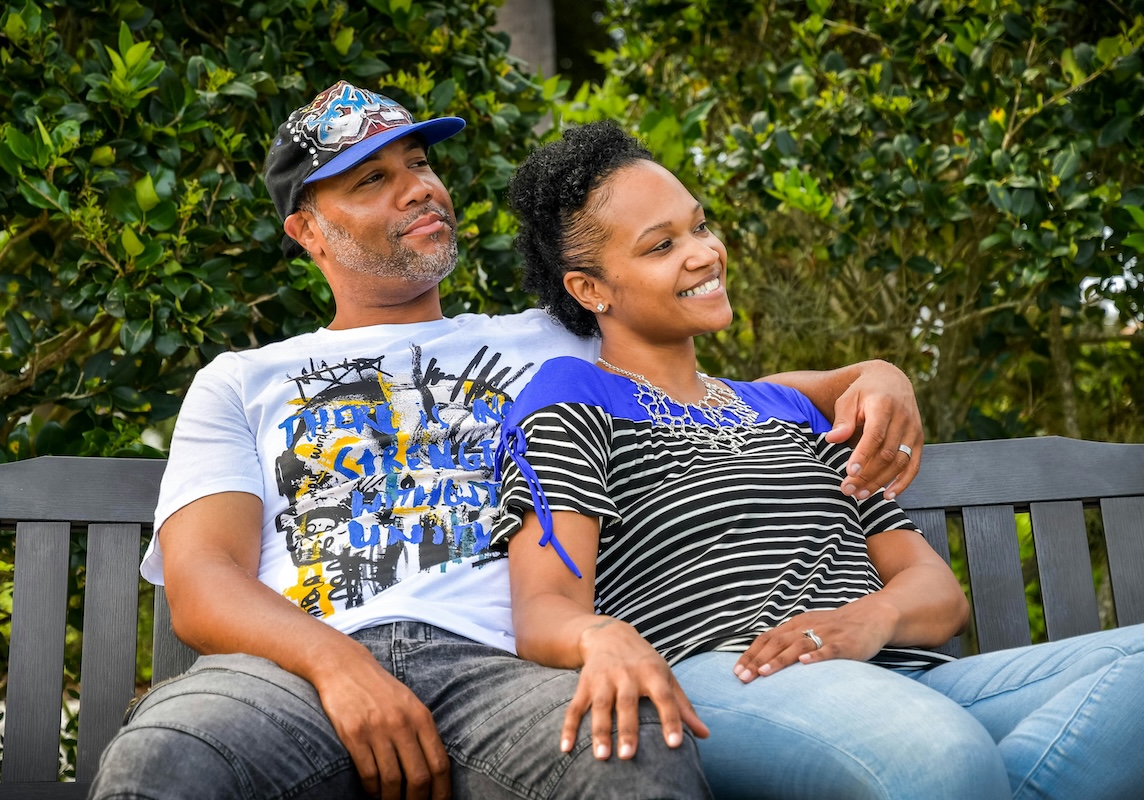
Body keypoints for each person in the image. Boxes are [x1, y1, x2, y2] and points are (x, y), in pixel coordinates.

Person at [88, 80, 928, 800]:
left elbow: (730, 397)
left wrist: (876, 372)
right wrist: (337, 666)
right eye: (373, 180)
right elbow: (202, 581)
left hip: (509, 671)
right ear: (307, 231)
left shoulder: (557, 339)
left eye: (419, 163)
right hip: (293, 676)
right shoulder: (242, 378)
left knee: (636, 757)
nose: (417, 188)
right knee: (165, 760)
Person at [492, 120, 1144, 800]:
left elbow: (937, 595)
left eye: (700, 225)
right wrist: (602, 639)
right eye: (661, 246)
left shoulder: (789, 409)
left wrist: (872, 619)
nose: (703, 253)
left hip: (901, 676)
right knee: (938, 760)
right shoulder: (569, 400)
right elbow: (545, 612)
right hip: (729, 677)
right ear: (590, 289)